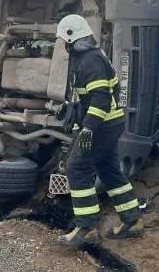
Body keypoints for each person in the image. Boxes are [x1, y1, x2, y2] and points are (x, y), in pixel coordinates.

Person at [55, 14, 143, 247]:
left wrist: (88, 129)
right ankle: (132, 220)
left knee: (77, 167)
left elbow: (101, 99)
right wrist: (71, 107)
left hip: (102, 125)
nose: (62, 44)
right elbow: (93, 94)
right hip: (110, 124)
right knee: (109, 171)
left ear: (72, 38)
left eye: (63, 39)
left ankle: (87, 228)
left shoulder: (90, 61)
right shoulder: (88, 57)